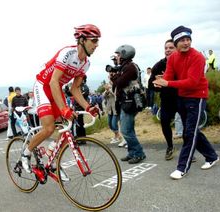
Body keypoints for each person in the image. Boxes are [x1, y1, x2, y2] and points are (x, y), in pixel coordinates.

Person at [21, 24, 101, 174]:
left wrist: (88, 107)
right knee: (49, 128)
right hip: (44, 86)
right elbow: (53, 81)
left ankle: (52, 156)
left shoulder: (86, 64)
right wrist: (64, 109)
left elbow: (74, 89)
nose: (97, 45)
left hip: (56, 89)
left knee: (66, 127)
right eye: (94, 40)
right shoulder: (68, 53)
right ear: (82, 40)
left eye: (97, 41)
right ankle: (26, 153)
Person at [153, 25, 219, 179]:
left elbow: (192, 82)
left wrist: (168, 84)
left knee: (189, 133)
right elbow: (169, 74)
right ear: (176, 43)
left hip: (197, 96)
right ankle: (212, 156)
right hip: (182, 96)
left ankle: (182, 167)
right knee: (192, 130)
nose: (186, 42)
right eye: (182, 40)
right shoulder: (174, 57)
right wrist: (161, 81)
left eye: (188, 39)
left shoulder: (198, 57)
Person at [111, 45, 146, 164]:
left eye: (119, 54)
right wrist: (116, 76)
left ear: (125, 54)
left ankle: (139, 153)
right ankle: (132, 153)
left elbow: (119, 83)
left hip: (130, 102)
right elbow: (117, 82)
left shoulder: (130, 67)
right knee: (129, 129)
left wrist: (114, 77)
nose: (117, 57)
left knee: (126, 130)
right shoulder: (125, 67)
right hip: (125, 102)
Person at [149, 39, 182, 160]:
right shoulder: (159, 65)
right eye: (166, 48)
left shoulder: (182, 61)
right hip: (167, 99)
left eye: (171, 48)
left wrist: (169, 81)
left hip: (181, 98)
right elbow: (150, 84)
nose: (168, 50)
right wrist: (157, 84)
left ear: (176, 49)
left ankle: (189, 149)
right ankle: (170, 146)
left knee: (187, 124)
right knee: (164, 122)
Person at [73, 75, 90, 141]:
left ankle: (82, 138)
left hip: (80, 108)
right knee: (78, 123)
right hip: (76, 107)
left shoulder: (84, 87)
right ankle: (79, 137)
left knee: (80, 123)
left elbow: (82, 95)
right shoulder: (78, 87)